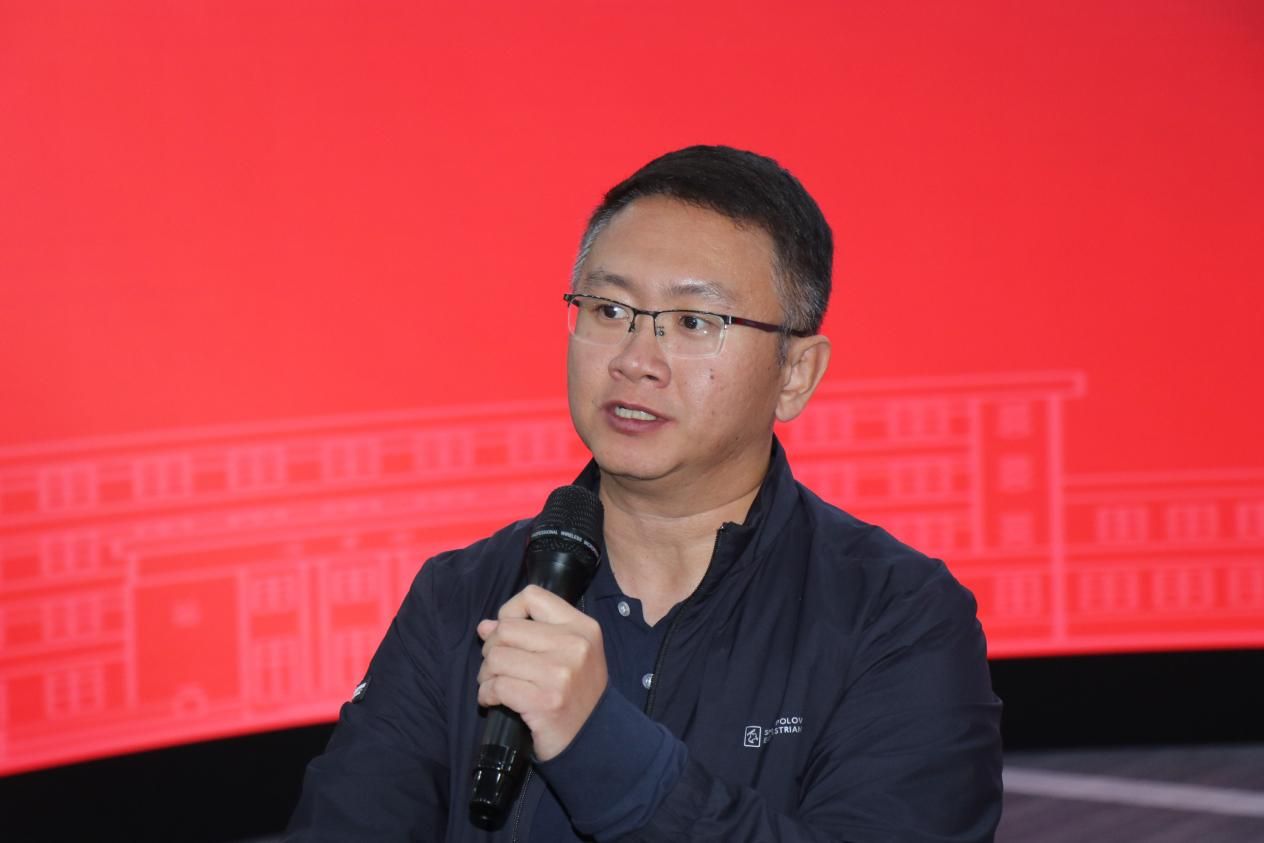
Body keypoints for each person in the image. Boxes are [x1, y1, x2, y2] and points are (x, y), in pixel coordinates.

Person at [287, 145, 1003, 841]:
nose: (635, 360)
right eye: (608, 309)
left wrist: (602, 747)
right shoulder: (461, 596)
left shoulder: (897, 616)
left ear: (796, 374)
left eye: (693, 322)